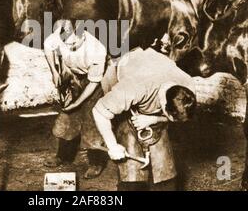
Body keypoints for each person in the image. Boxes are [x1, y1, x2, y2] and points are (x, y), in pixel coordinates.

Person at [92, 47, 196, 191]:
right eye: (170, 117)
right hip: (120, 67)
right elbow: (99, 111)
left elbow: (175, 117)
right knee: (131, 173)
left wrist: (154, 120)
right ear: (164, 105)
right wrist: (112, 146)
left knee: (165, 174)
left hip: (152, 66)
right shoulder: (134, 87)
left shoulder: (188, 86)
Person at [43, 20, 108, 179]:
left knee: (91, 120)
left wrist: (77, 104)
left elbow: (93, 83)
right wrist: (54, 72)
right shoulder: (61, 34)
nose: (69, 47)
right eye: (66, 43)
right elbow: (47, 46)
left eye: (74, 44)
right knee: (68, 117)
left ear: (83, 36)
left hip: (94, 82)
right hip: (74, 77)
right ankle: (63, 156)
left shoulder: (97, 49)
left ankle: (96, 162)